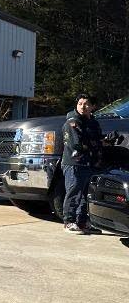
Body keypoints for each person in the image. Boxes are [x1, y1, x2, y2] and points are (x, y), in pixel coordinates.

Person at [62, 93, 104, 234]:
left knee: (85, 195)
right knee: (74, 192)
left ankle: (81, 222)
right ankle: (69, 221)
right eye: (80, 103)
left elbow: (97, 139)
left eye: (86, 104)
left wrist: (106, 141)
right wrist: (98, 143)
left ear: (93, 106)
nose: (83, 106)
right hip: (75, 163)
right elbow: (77, 144)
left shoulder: (93, 122)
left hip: (89, 163)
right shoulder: (72, 121)